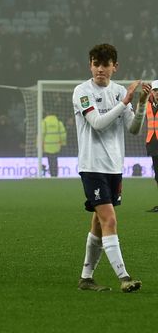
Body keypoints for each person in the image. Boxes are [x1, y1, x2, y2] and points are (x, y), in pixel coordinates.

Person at [72, 43, 148, 292]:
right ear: (90, 65)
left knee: (98, 222)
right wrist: (125, 100)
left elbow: (134, 129)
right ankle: (124, 277)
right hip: (92, 166)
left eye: (105, 65)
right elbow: (97, 123)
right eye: (96, 64)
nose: (100, 69)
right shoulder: (82, 91)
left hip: (114, 167)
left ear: (114, 67)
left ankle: (86, 278)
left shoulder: (116, 91)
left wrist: (139, 105)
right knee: (110, 220)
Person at [144, 80, 158, 212]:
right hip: (153, 144)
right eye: (155, 90)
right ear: (151, 92)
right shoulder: (146, 104)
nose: (157, 93)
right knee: (157, 175)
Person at [42, 112, 67, 177]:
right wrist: (63, 143)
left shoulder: (44, 122)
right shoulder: (59, 123)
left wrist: (39, 145)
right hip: (56, 146)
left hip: (47, 146)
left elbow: (41, 134)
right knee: (55, 160)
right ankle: (55, 174)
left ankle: (51, 174)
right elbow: (63, 135)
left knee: (50, 161)